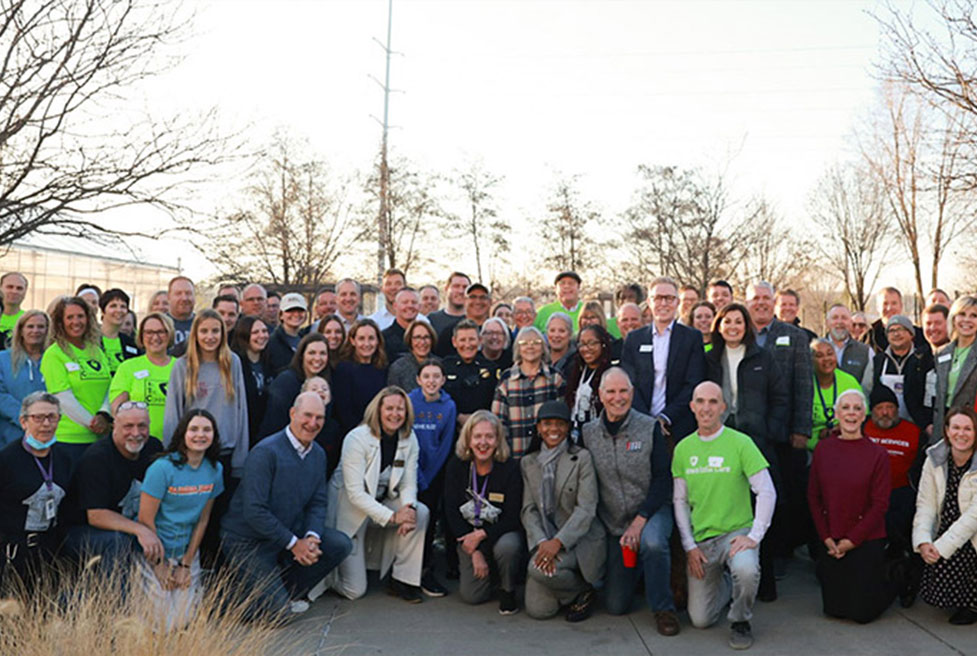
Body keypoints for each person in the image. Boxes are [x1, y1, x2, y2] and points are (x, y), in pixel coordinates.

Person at [222, 392, 352, 620]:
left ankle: (283, 592)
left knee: (340, 544)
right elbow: (254, 511)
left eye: (319, 418)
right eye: (307, 415)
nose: (313, 423)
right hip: (248, 540)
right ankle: (230, 601)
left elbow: (318, 502)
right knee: (278, 616)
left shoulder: (318, 454)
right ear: (292, 413)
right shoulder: (266, 452)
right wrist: (294, 544)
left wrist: (311, 537)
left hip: (286, 533)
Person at [673, 381, 776, 649]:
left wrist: (754, 536)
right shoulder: (683, 448)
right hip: (702, 542)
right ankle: (728, 583)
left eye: (713, 402)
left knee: (746, 569)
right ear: (692, 406)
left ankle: (740, 621)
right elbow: (680, 500)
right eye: (700, 401)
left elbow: (767, 491)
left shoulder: (741, 443)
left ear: (723, 407)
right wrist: (689, 546)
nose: (706, 408)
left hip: (736, 535)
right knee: (701, 619)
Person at [580, 367, 677, 635]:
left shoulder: (648, 427)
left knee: (653, 543)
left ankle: (664, 609)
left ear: (632, 394)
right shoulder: (588, 433)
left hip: (652, 511)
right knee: (616, 605)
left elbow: (662, 479)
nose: (618, 397)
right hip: (614, 523)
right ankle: (640, 573)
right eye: (611, 391)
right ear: (601, 395)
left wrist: (640, 520)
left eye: (623, 391)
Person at [705, 301, 788, 601]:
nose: (733, 327)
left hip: (756, 442)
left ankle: (764, 582)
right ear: (719, 326)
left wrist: (770, 430)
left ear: (747, 326)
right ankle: (728, 581)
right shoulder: (709, 359)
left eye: (738, 322)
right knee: (725, 507)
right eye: (727, 322)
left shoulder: (763, 358)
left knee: (759, 507)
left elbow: (780, 397)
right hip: (718, 441)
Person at [329, 386, 428, 602]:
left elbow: (408, 482)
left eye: (400, 409)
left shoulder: (409, 438)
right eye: (389, 408)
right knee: (355, 591)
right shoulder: (357, 438)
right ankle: (328, 579)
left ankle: (402, 580)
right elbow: (355, 493)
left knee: (420, 513)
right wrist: (393, 517)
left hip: (379, 505)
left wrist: (408, 509)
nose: (395, 414)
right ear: (378, 410)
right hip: (351, 513)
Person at [807, 388, 895, 623]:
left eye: (857, 408)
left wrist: (852, 540)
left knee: (862, 615)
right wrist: (826, 537)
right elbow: (814, 497)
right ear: (836, 413)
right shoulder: (823, 449)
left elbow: (880, 504)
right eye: (845, 408)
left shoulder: (878, 454)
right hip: (831, 539)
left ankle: (896, 579)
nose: (851, 413)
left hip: (865, 539)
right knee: (834, 610)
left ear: (864, 415)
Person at [136, 409, 224, 629]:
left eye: (206, 430)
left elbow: (203, 520)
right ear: (183, 433)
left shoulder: (215, 469)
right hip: (155, 551)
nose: (200, 435)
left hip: (186, 552)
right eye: (194, 429)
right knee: (162, 623)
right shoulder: (162, 468)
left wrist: (186, 563)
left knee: (183, 620)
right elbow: (145, 520)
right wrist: (159, 564)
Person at [521, 400, 605, 622]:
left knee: (536, 570)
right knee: (540, 611)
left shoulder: (582, 458)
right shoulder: (528, 462)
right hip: (545, 540)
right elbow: (529, 509)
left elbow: (586, 508)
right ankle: (571, 590)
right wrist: (542, 542)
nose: (554, 429)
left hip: (579, 541)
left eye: (560, 424)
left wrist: (557, 543)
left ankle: (582, 587)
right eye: (547, 423)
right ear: (538, 428)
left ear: (568, 427)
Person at [62, 402, 163, 572]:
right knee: (119, 542)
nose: (136, 433)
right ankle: (116, 589)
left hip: (129, 523)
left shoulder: (154, 447)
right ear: (114, 426)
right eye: (128, 426)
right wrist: (142, 531)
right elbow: (96, 516)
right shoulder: (97, 458)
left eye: (142, 426)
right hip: (82, 531)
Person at [444, 410, 524, 614]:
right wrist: (475, 551)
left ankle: (507, 588)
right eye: (477, 436)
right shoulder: (456, 466)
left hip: (500, 534)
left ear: (498, 440)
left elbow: (513, 517)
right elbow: (451, 512)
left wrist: (482, 535)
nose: (483, 443)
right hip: (468, 537)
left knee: (507, 547)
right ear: (468, 439)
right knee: (472, 596)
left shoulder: (510, 468)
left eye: (489, 436)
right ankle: (491, 574)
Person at [163, 309, 248, 479]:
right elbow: (173, 413)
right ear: (195, 334)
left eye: (215, 331)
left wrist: (240, 459)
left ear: (223, 334)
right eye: (204, 331)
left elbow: (241, 411)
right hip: (193, 452)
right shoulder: (182, 365)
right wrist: (172, 455)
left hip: (225, 450)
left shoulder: (232, 362)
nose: (210, 336)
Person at [621, 276, 706, 446]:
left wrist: (666, 417)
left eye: (669, 298)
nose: (664, 303)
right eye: (658, 298)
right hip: (639, 424)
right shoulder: (634, 339)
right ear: (649, 302)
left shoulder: (692, 338)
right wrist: (647, 421)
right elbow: (629, 383)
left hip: (679, 425)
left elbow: (693, 383)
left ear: (677, 302)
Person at [0, 392, 70, 593]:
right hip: (12, 554)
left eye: (52, 417)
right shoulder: (6, 460)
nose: (46, 424)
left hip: (51, 552)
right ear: (23, 422)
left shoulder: (64, 458)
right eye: (38, 418)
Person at [913, 406, 977, 624]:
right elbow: (926, 505)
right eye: (956, 427)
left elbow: (973, 517)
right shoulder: (934, 459)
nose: (961, 434)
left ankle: (972, 603)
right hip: (947, 525)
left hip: (972, 530)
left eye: (968, 429)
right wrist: (923, 542)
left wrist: (941, 548)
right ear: (947, 431)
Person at [864, 384, 925, 606]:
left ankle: (905, 580)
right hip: (869, 496)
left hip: (902, 494)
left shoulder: (914, 432)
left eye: (890, 407)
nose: (885, 413)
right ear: (872, 411)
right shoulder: (862, 428)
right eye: (880, 408)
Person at [40, 296, 112, 471]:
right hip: (69, 440)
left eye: (80, 316)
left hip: (99, 439)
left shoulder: (96, 350)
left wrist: (104, 415)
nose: (76, 322)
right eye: (70, 317)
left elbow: (109, 388)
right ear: (60, 322)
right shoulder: (54, 354)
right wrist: (93, 424)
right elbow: (63, 398)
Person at [408, 358, 456, 597]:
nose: (431, 381)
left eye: (436, 376)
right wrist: (416, 474)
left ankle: (425, 570)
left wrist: (427, 478)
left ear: (443, 380)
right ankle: (404, 573)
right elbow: (405, 438)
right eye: (426, 376)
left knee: (428, 523)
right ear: (419, 379)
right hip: (409, 471)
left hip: (433, 475)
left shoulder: (449, 406)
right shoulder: (409, 401)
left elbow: (444, 445)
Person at [493, 326, 565, 459]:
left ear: (543, 348)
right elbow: (498, 421)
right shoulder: (506, 379)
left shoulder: (555, 378)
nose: (530, 346)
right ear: (518, 348)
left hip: (549, 455)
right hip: (515, 455)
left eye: (536, 343)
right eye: (524, 343)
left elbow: (563, 418)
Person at [109, 312, 175, 442]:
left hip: (174, 442)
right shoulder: (128, 367)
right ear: (141, 336)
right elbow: (117, 408)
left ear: (170, 334)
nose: (155, 337)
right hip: (138, 441)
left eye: (161, 332)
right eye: (149, 332)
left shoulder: (181, 367)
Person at [258, 333, 329, 439]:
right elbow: (274, 423)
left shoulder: (325, 384)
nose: (317, 358)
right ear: (301, 355)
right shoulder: (285, 382)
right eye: (312, 353)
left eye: (323, 353)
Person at [0, 310, 49, 447]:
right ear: (21, 330)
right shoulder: (3, 359)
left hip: (48, 433)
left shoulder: (54, 359)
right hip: (10, 435)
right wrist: (27, 418)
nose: (35, 331)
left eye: (41, 327)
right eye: (30, 326)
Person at [933, 295, 977, 444]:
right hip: (942, 424)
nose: (967, 320)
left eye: (974, 316)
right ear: (953, 318)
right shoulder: (941, 353)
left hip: (969, 426)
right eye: (962, 314)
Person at [333, 319, 389, 434]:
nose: (367, 344)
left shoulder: (383, 368)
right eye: (361, 339)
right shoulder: (343, 369)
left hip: (380, 431)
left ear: (378, 341)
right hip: (353, 433)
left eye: (371, 338)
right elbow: (343, 410)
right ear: (353, 341)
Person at [441, 319, 499, 430]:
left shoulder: (491, 368)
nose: (467, 345)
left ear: (480, 340)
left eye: (471, 339)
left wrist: (477, 419)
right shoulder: (445, 367)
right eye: (462, 340)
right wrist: (458, 416)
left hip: (484, 427)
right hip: (451, 427)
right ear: (454, 342)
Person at [872, 315, 929, 426]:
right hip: (885, 423)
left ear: (911, 334)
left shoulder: (922, 360)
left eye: (900, 329)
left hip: (916, 424)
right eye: (891, 331)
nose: (896, 334)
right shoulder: (878, 361)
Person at [809, 338, 863, 450]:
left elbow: (863, 415)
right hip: (809, 448)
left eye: (830, 354)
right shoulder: (804, 382)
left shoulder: (849, 382)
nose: (826, 359)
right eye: (819, 355)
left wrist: (840, 427)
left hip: (843, 445)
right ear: (811, 360)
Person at [564, 324, 612, 443]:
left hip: (600, 439)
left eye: (592, 343)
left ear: (603, 344)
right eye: (582, 344)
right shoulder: (575, 371)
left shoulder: (610, 374)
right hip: (576, 436)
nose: (586, 349)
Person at [230, 315, 271, 448]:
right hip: (242, 433)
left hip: (264, 433)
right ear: (244, 335)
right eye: (255, 332)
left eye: (264, 331)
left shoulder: (269, 363)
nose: (262, 335)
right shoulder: (235, 364)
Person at [300, 376, 343, 477]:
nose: (320, 391)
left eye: (325, 389)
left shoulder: (335, 427)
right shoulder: (298, 421)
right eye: (314, 389)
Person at [825, 303, 874, 391]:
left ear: (850, 323)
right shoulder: (815, 350)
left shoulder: (866, 352)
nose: (839, 322)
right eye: (835, 318)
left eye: (844, 318)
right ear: (827, 322)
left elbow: (868, 388)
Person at [435, 282, 491, 357]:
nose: (478, 301)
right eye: (472, 297)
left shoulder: (498, 331)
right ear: (465, 301)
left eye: (483, 297)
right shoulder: (450, 331)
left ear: (490, 302)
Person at [869, 287, 926, 353]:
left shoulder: (918, 335)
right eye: (885, 303)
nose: (889, 308)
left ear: (901, 306)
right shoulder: (869, 336)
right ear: (878, 307)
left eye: (894, 303)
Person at [100, 289, 144, 374]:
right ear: (103, 311)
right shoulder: (90, 340)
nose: (119, 310)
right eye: (113, 306)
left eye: (123, 306)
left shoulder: (132, 343)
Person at [387, 319, 437, 392]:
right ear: (410, 340)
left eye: (426, 337)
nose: (422, 342)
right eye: (417, 337)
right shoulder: (398, 368)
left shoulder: (440, 364)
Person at [266, 292, 309, 374]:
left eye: (300, 310)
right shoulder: (272, 342)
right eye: (290, 310)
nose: (296, 314)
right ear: (281, 315)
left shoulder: (307, 339)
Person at [382, 288, 422, 363]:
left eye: (414, 302)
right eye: (405, 302)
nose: (410, 306)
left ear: (419, 307)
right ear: (395, 306)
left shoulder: (426, 338)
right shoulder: (383, 339)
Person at [166, 276, 196, 352]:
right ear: (169, 297)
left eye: (188, 293)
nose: (184, 298)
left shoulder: (202, 324)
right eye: (178, 294)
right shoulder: (160, 324)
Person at [0, 272, 28, 347]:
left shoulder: (29, 319)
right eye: (10, 287)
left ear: (25, 292)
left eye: (19, 288)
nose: (14, 291)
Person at [545, 312, 575, 376]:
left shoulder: (577, 361)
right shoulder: (539, 357)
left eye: (562, 331)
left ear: (570, 334)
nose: (556, 335)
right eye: (552, 330)